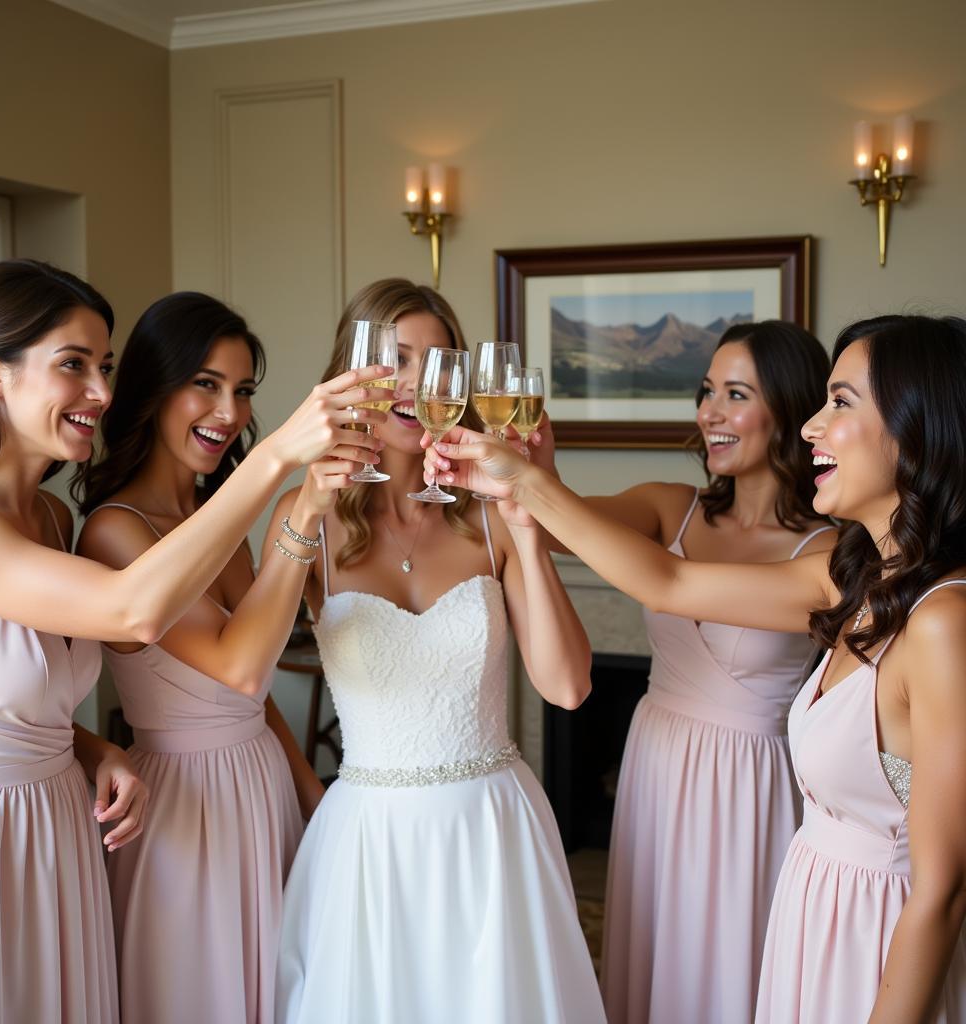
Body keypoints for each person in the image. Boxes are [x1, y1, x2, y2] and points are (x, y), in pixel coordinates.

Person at [427, 313, 966, 1024]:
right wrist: (525, 481)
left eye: (840, 403)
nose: (812, 428)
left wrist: (526, 483)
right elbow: (670, 585)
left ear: (917, 427)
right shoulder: (854, 581)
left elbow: (943, 888)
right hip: (812, 914)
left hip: (873, 931)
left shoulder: (939, 621)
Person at [0, 259, 390, 1023]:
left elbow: (2, 700)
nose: (101, 393)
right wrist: (283, 463)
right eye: (73, 366)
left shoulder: (52, 522)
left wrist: (92, 749)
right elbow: (134, 612)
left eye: (105, 367)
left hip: (65, 825)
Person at [272, 278, 606, 1024]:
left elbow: (569, 687)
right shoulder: (308, 521)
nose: (415, 380)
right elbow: (242, 672)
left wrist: (526, 519)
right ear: (349, 371)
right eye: (395, 357)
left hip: (491, 830)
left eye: (435, 362)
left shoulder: (487, 517)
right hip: (369, 846)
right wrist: (300, 500)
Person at [526, 321, 835, 1023]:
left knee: (735, 963)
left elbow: (665, 583)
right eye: (705, 392)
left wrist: (532, 487)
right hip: (658, 759)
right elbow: (549, 529)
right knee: (652, 948)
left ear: (788, 410)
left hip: (752, 783)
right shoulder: (671, 504)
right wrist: (543, 476)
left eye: (735, 394)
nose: (709, 412)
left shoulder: (831, 551)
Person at [75, 292, 354, 1023]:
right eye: (205, 383)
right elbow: (242, 665)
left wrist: (307, 791)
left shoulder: (213, 517)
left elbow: (252, 703)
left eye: (242, 390)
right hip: (186, 810)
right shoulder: (115, 531)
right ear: (153, 388)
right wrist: (298, 509)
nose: (228, 412)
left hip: (261, 785)